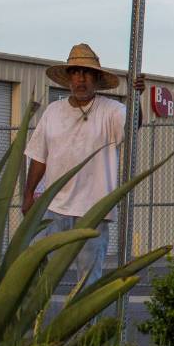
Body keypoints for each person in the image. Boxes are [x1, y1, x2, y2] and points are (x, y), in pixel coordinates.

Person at [23, 43, 126, 289]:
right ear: (69, 77)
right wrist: (28, 194)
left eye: (87, 72)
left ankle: (89, 328)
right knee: (37, 274)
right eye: (76, 72)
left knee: (88, 282)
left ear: (97, 78)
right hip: (53, 207)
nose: (81, 78)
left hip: (93, 210)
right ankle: (39, 325)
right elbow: (39, 156)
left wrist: (138, 100)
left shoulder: (112, 111)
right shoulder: (53, 111)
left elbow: (133, 123)